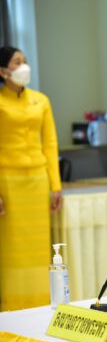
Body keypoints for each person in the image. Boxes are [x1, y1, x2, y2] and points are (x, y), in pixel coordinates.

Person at [0, 46, 62, 310]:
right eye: (16, 62)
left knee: (38, 249)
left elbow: (50, 143)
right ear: (3, 71)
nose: (23, 66)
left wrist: (55, 185)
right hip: (8, 182)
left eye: (24, 61)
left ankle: (40, 303)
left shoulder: (41, 100)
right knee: (13, 250)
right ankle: (12, 306)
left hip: (37, 180)